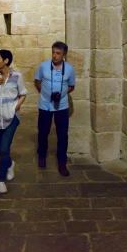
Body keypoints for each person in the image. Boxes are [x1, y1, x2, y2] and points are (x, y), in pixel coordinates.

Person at [0, 49, 27, 194]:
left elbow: (23, 94)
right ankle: (10, 163)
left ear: (6, 61)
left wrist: (15, 107)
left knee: (4, 149)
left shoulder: (17, 76)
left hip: (11, 118)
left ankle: (1, 180)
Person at [34, 41, 76, 176]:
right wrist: (45, 93)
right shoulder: (43, 66)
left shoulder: (69, 69)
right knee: (43, 132)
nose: (55, 56)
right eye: (53, 52)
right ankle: (42, 156)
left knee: (62, 135)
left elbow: (71, 86)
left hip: (62, 106)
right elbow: (37, 81)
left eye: (58, 53)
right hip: (45, 105)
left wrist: (61, 94)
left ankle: (62, 163)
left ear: (64, 54)